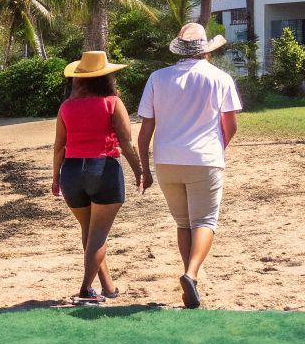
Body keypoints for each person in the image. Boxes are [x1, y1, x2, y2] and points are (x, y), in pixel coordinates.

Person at [135, 23, 241, 309]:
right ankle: (192, 274)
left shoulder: (158, 78)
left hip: (166, 160)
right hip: (204, 158)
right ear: (205, 50)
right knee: (205, 221)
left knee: (183, 223)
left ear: (179, 49)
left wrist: (145, 169)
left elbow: (145, 132)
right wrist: (216, 149)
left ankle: (190, 278)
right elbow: (230, 125)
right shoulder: (220, 78)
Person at [51, 50, 145, 304]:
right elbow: (127, 143)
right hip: (102, 169)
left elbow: (59, 146)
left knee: (90, 233)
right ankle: (85, 289)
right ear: (106, 78)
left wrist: (55, 178)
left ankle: (108, 287)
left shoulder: (66, 106)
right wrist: (140, 172)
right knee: (98, 236)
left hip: (71, 172)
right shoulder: (111, 102)